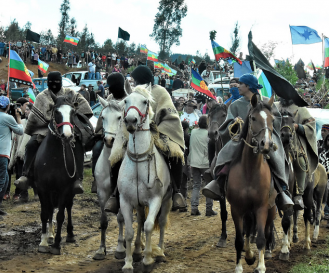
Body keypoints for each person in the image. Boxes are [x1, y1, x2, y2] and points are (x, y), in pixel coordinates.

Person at [203, 74, 294, 211]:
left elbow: (277, 120)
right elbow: (226, 125)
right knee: (225, 152)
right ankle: (219, 181)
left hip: (264, 137)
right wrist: (234, 123)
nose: (238, 86)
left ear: (248, 86)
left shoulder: (266, 102)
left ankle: (282, 190)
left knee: (277, 156)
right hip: (241, 140)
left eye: (241, 84)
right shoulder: (235, 105)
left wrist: (266, 126)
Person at [103, 66, 187, 213]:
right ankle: (115, 194)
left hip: (160, 133)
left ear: (139, 79)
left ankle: (176, 192)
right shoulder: (133, 93)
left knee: (175, 156)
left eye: (134, 80)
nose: (133, 82)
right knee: (116, 156)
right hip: (134, 134)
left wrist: (156, 131)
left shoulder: (160, 92)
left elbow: (169, 114)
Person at [14, 72, 93, 195]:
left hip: (66, 128)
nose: (54, 85)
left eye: (57, 82)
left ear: (61, 81)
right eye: (51, 82)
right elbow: (35, 117)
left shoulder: (70, 94)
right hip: (44, 129)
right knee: (31, 145)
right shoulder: (42, 96)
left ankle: (78, 179)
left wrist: (71, 118)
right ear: (47, 83)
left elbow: (85, 108)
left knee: (78, 144)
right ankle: (26, 176)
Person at [276, 97, 318, 210]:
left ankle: (299, 194)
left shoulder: (301, 109)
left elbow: (311, 126)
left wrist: (297, 126)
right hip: (276, 144)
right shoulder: (274, 106)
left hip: (295, 144)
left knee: (300, 161)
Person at [188, 116, 216, 216]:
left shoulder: (194, 132)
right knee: (208, 186)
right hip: (205, 163)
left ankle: (194, 208)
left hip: (194, 162)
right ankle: (209, 209)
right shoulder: (209, 134)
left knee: (196, 185)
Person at [9, 103, 32, 203]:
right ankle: (20, 194)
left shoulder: (35, 123)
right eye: (25, 110)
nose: (26, 111)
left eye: (28, 110)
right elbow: (16, 135)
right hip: (19, 153)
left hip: (30, 155)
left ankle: (32, 194)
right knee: (19, 175)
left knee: (29, 175)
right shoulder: (21, 121)